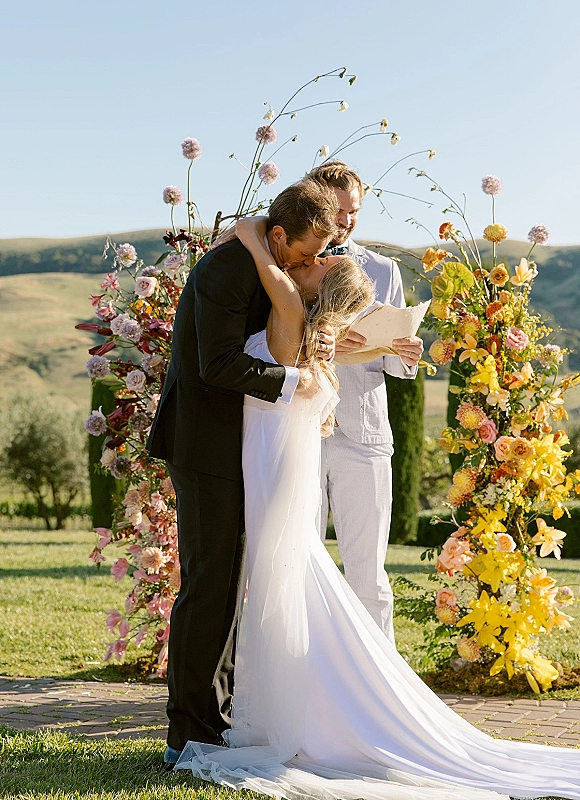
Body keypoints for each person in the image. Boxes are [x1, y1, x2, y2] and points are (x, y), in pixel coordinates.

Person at [173, 215, 580, 800]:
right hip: (276, 474)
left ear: (316, 293)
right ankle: (279, 706)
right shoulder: (314, 343)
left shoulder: (288, 308)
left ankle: (280, 711)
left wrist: (248, 237)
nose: (309, 263)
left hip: (266, 476)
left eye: (317, 266)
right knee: (279, 585)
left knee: (270, 586)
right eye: (316, 257)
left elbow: (270, 272)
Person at [146, 178, 339, 765]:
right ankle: (188, 732)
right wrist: (293, 383)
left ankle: (217, 717)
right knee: (209, 585)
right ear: (278, 235)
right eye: (307, 253)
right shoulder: (223, 272)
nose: (312, 263)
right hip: (204, 446)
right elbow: (217, 364)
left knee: (229, 585)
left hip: (241, 447)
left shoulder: (267, 262)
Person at [307, 160, 423, 641]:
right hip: (302, 431)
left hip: (366, 434)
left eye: (353, 210)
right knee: (301, 565)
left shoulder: (383, 269)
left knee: (369, 577)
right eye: (335, 209)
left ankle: (381, 694)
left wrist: (408, 353)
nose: (345, 219)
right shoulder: (291, 265)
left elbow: (395, 367)